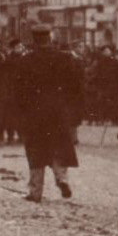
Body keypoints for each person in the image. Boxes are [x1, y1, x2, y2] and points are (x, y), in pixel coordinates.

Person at [14, 27, 82, 201]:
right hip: (58, 110)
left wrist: (20, 112)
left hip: (34, 111)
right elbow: (75, 85)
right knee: (58, 145)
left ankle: (35, 191)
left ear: (34, 39)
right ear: (50, 38)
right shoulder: (65, 58)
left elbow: (18, 88)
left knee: (35, 148)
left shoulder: (26, 60)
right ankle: (62, 178)